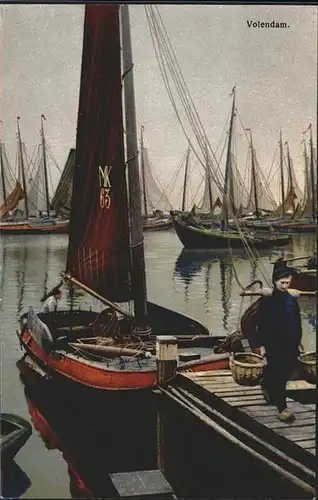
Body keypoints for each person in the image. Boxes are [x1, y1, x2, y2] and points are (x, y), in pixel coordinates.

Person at [254, 267, 303, 422]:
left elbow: (297, 322)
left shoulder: (292, 300)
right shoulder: (268, 301)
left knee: (287, 371)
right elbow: (260, 324)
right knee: (280, 375)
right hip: (274, 344)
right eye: (282, 282)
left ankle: (266, 383)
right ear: (275, 282)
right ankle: (282, 408)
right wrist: (261, 345)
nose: (285, 286)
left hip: (290, 343)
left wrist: (298, 342)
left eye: (287, 283)